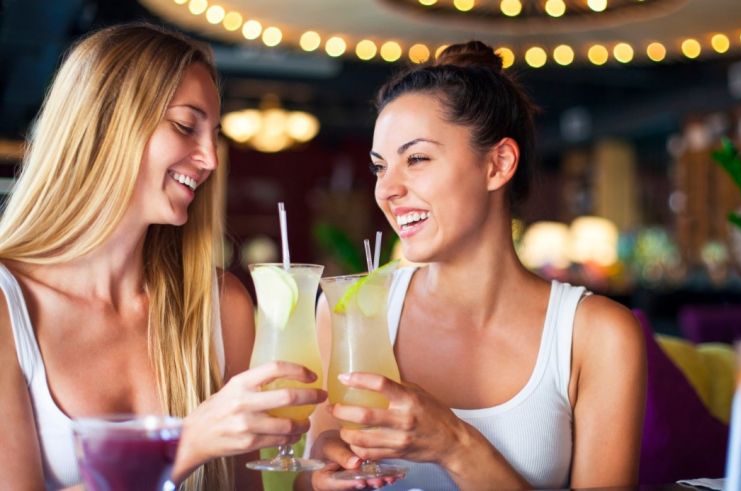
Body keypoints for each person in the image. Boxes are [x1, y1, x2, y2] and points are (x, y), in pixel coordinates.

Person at [302, 41, 647, 490]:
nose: (386, 189)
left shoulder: (597, 336)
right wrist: (319, 478)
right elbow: (307, 470)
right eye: (379, 167)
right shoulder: (350, 310)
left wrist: (454, 444)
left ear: (498, 164)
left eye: (417, 159)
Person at [0, 23, 325, 491]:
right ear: (107, 125)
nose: (211, 159)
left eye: (214, 134)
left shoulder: (220, 305)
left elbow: (249, 486)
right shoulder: (9, 307)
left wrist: (316, 485)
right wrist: (186, 444)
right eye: (185, 126)